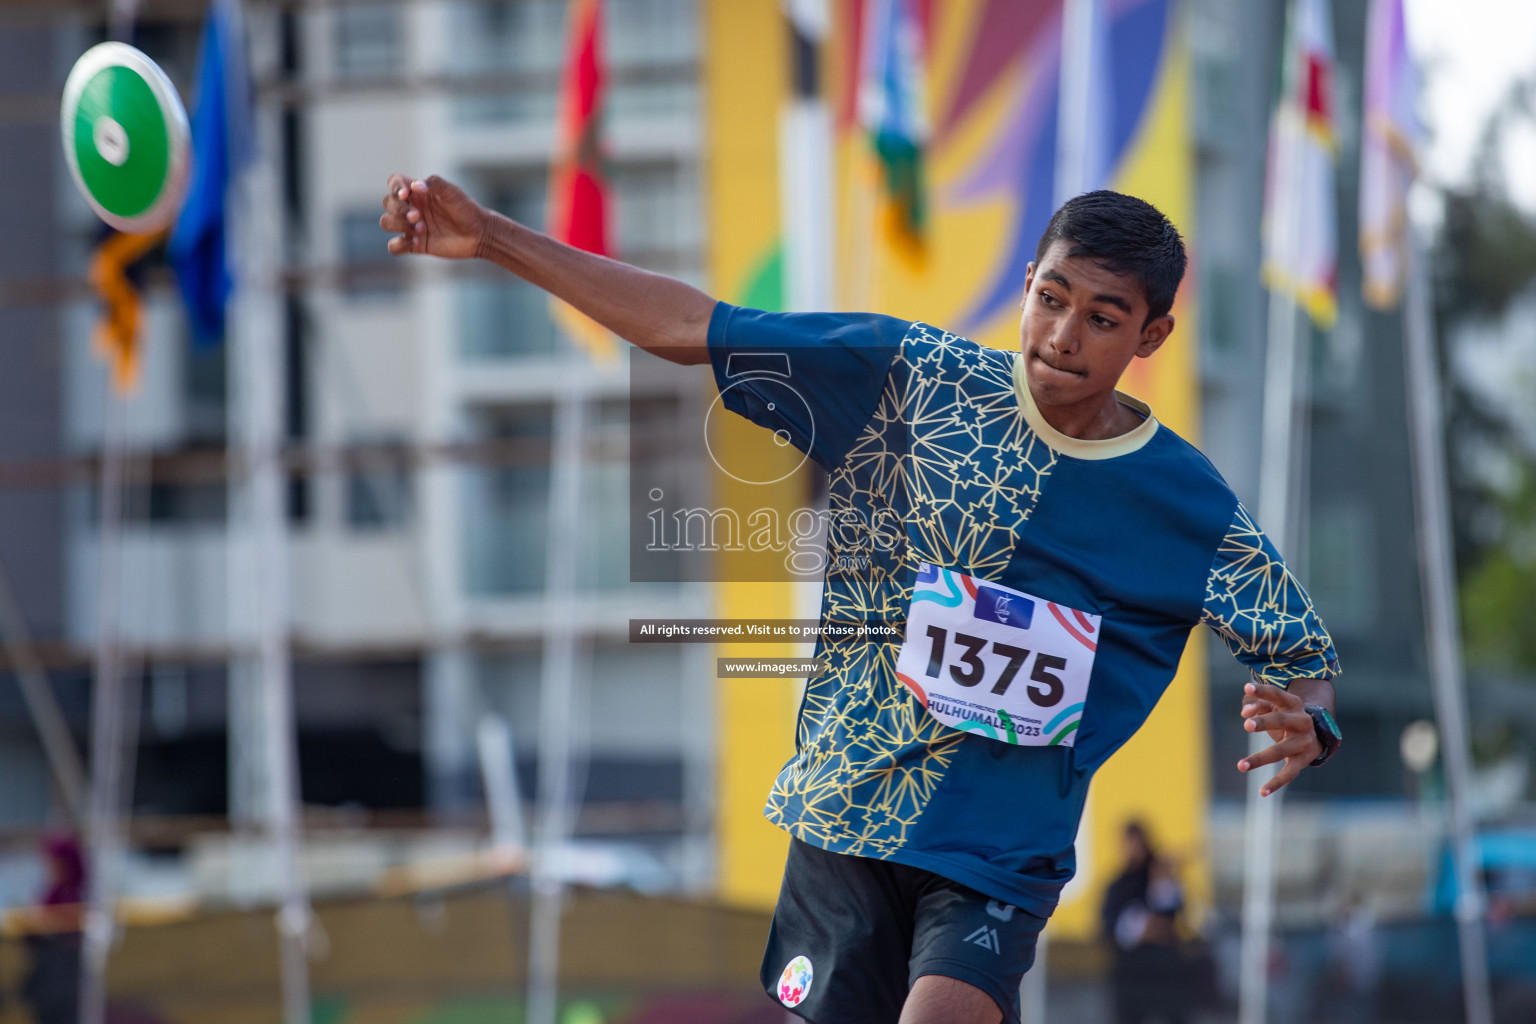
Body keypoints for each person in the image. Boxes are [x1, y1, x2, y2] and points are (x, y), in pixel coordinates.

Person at [378, 175, 1343, 1024]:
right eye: (1051, 299)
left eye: (1102, 316)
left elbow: (1302, 657)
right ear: (1027, 287)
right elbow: (690, 327)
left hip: (996, 850)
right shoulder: (915, 380)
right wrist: (494, 238)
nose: (1062, 336)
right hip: (848, 814)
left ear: (1152, 334)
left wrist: (1308, 723)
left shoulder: (1185, 502)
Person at [1101, 821, 1191, 1024]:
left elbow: (1172, 918)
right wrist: (1138, 930)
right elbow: (1108, 925)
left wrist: (1163, 879)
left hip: (1164, 970)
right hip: (1131, 972)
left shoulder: (1162, 877)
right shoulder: (1118, 885)